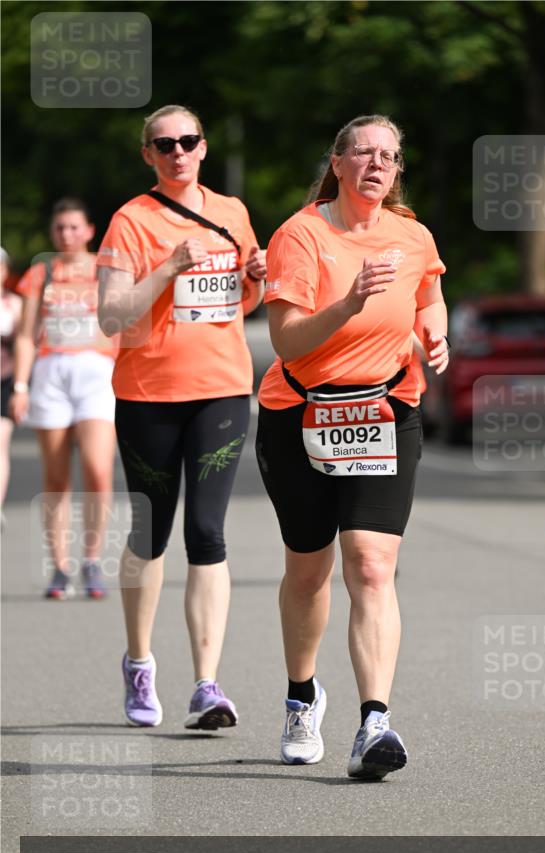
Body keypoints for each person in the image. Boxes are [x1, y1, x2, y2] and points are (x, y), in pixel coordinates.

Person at [255, 114, 449, 780]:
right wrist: (348, 303)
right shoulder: (301, 235)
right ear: (336, 163)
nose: (376, 163)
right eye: (363, 153)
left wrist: (434, 332)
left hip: (386, 409)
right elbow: (286, 343)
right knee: (308, 570)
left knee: (370, 565)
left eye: (388, 155)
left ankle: (374, 723)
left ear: (397, 170)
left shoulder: (412, 234)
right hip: (301, 414)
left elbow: (430, 295)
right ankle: (301, 696)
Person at [96, 104, 266, 730]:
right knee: (150, 534)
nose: (177, 152)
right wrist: (169, 266)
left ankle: (207, 684)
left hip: (221, 388)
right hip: (147, 393)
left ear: (203, 148)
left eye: (187, 141)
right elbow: (112, 316)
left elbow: (242, 301)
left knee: (207, 531)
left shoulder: (232, 212)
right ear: (148, 155)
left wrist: (256, 277)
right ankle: (140, 662)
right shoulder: (129, 221)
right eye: (163, 144)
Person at [9, 200, 117, 597]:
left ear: (89, 231)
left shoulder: (105, 270)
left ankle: (92, 560)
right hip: (52, 373)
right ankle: (60, 567)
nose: (66, 235)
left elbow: (124, 323)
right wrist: (20, 386)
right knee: (56, 478)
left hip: (96, 372)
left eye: (74, 228)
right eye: (60, 229)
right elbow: (24, 335)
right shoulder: (43, 272)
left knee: (98, 471)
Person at [0, 248, 23, 520]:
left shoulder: (14, 304)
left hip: (5, 379)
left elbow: (25, 344)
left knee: (1, 443)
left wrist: (21, 386)